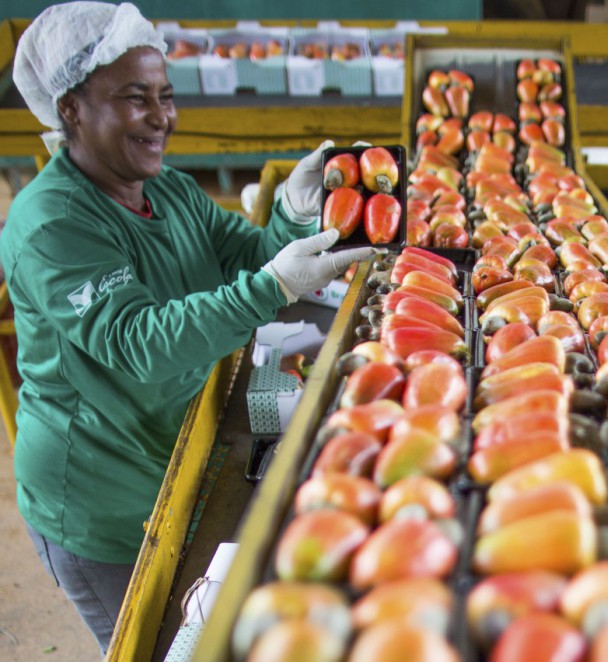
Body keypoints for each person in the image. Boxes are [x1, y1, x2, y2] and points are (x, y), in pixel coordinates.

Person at [1, 2, 376, 654]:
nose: (161, 117)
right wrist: (273, 286)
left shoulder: (168, 190)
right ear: (70, 110)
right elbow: (136, 342)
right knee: (153, 645)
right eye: (134, 98)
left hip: (171, 447)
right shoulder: (50, 224)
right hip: (101, 496)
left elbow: (246, 252)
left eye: (165, 96)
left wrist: (289, 214)